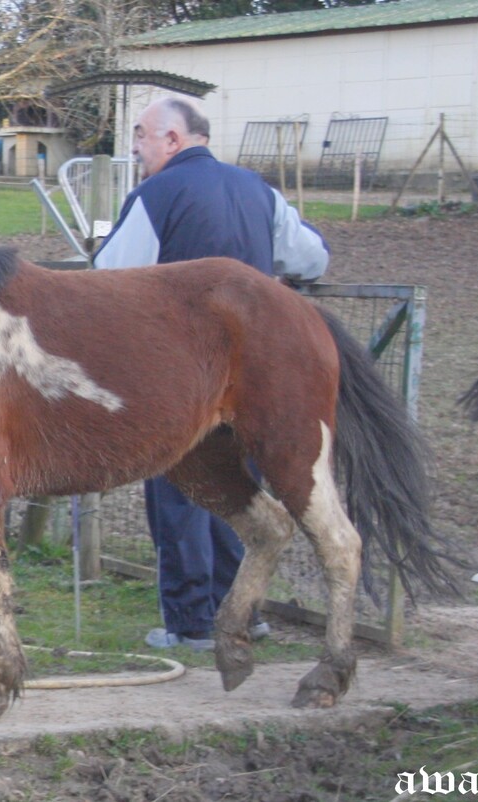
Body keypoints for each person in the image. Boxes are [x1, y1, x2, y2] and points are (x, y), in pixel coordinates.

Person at [92, 96, 330, 652]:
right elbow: (313, 259)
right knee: (241, 489)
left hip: (178, 375)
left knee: (178, 491)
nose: (135, 147)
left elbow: (107, 274)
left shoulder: (157, 193)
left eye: (141, 135)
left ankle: (190, 623)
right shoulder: (259, 191)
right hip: (250, 375)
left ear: (173, 139)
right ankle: (245, 610)